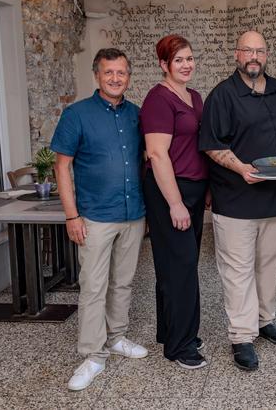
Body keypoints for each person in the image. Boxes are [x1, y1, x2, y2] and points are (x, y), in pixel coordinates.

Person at [199, 30, 276, 371]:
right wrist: (241, 168)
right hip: (236, 199)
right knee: (237, 270)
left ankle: (264, 320)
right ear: (236, 55)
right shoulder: (222, 95)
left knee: (271, 264)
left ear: (266, 55)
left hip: (275, 198)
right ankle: (242, 336)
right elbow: (212, 145)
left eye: (260, 50)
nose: (254, 56)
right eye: (247, 50)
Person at [52, 48, 147, 391]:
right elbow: (61, 167)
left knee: (123, 282)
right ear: (97, 75)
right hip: (94, 216)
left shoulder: (137, 115)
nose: (116, 78)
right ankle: (93, 354)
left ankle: (117, 337)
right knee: (93, 286)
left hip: (133, 214)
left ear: (128, 76)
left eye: (122, 72)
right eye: (109, 72)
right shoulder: (76, 115)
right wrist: (71, 215)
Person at [140, 35, 208, 369]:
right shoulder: (158, 99)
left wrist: (204, 191)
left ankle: (172, 331)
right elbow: (156, 153)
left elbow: (199, 147)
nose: (186, 65)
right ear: (164, 64)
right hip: (170, 191)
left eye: (189, 58)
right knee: (180, 268)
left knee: (178, 265)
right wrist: (175, 203)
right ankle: (180, 347)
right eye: (178, 59)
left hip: (193, 190)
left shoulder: (194, 96)